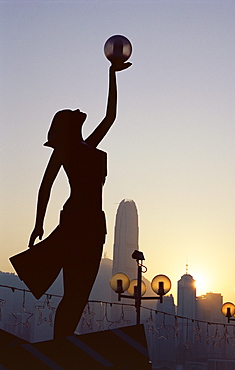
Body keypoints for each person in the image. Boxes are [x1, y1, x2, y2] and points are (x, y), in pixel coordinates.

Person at [28, 61, 131, 338]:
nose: (77, 110)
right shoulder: (64, 150)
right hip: (75, 219)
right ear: (67, 124)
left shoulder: (89, 145)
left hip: (96, 223)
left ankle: (65, 338)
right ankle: (60, 341)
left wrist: (112, 75)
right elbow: (45, 187)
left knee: (82, 292)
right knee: (73, 290)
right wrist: (39, 223)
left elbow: (111, 116)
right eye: (71, 112)